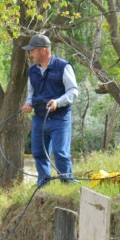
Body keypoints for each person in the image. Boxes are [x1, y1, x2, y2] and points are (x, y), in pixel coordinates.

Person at [20, 33, 79, 186]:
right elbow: (31, 93)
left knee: (60, 153)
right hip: (39, 119)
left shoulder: (63, 66)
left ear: (43, 50)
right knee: (39, 153)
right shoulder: (32, 71)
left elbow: (73, 91)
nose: (30, 54)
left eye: (32, 50)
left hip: (60, 118)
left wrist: (57, 102)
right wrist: (28, 104)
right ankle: (43, 184)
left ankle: (67, 184)